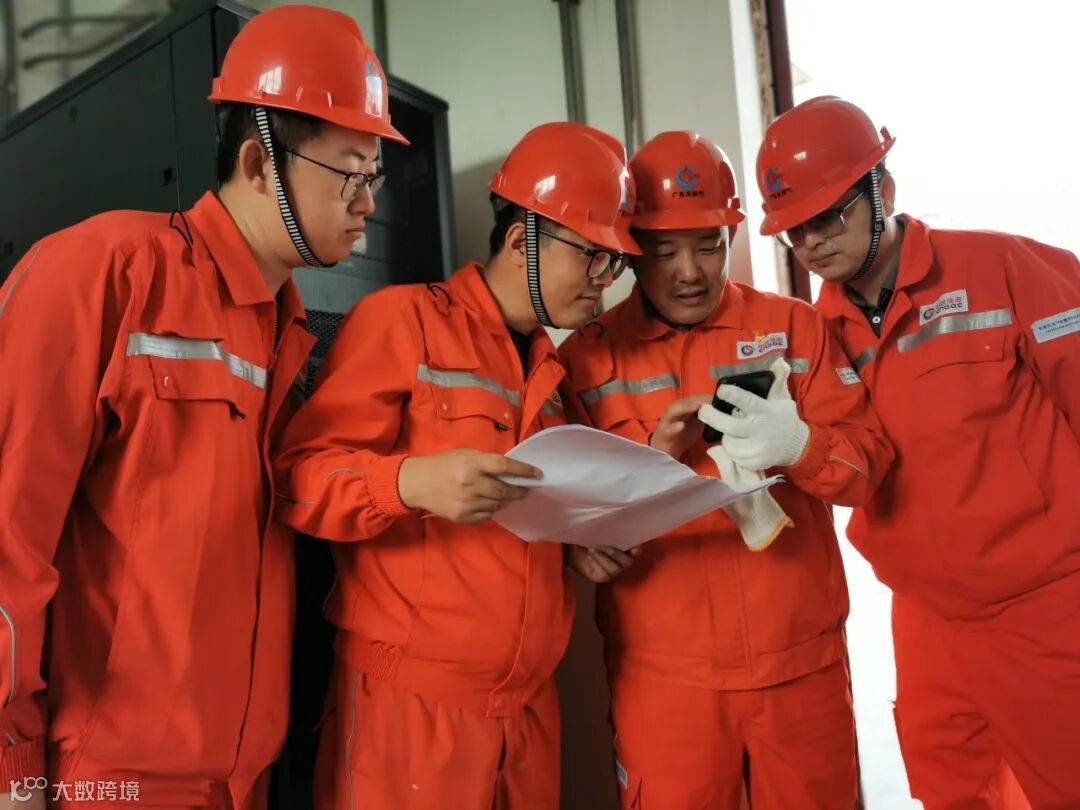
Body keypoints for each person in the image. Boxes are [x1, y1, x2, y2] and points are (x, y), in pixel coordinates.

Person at [0, 6, 405, 808]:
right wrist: (14, 768)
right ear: (259, 162)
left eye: (375, 178)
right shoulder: (103, 273)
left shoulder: (287, 329)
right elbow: (7, 534)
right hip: (105, 779)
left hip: (240, 778)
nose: (368, 202)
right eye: (350, 173)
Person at [271, 121, 640, 810]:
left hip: (527, 711)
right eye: (593, 256)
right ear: (520, 240)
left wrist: (573, 549)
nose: (604, 284)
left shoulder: (554, 377)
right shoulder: (403, 321)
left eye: (614, 264)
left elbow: (523, 520)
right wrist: (407, 483)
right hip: (411, 710)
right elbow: (299, 482)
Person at [756, 94, 1080, 809]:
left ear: (885, 190)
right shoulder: (814, 336)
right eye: (794, 230)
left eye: (829, 216)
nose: (812, 242)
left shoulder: (1005, 268)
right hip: (927, 617)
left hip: (1047, 606)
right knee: (952, 793)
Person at [557, 130, 893, 809]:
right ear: (631, 249)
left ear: (732, 236)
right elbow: (565, 518)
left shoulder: (796, 329)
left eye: (709, 246)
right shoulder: (587, 359)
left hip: (800, 666)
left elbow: (866, 474)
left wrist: (799, 445)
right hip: (664, 679)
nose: (690, 272)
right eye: (664, 252)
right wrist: (642, 470)